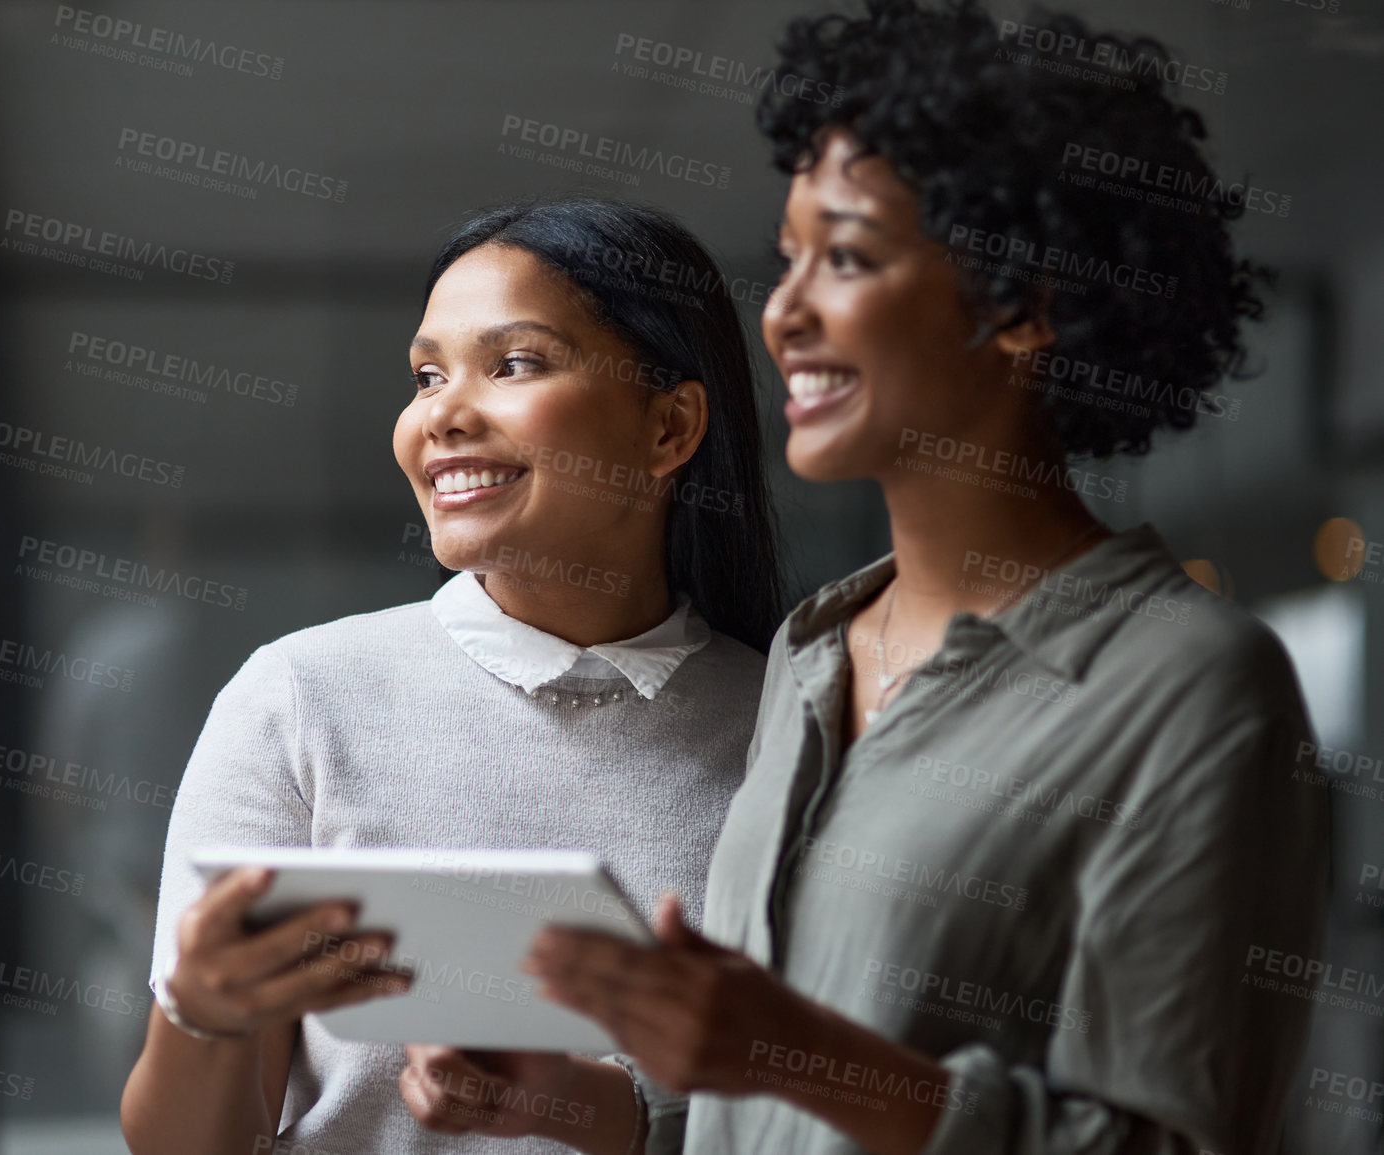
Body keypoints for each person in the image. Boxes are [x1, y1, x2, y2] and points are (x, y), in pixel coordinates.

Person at [424, 3, 1331, 1153]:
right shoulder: (815, 647)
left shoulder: (1191, 686)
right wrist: (568, 1097)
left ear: (1020, 306)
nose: (785, 312)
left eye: (846, 257)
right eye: (788, 257)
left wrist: (780, 1050)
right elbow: (756, 1116)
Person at [120, 195, 784, 1155]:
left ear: (670, 428)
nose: (444, 415)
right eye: (426, 375)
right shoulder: (299, 698)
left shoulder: (790, 722)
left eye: (513, 364)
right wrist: (200, 1016)